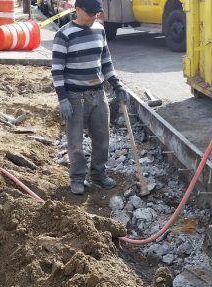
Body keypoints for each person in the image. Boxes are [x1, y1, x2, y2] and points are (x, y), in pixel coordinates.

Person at [51, 0, 126, 195]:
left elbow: (106, 61)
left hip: (98, 94)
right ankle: (77, 177)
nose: (94, 17)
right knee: (75, 140)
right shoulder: (64, 35)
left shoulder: (99, 30)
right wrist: (63, 98)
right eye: (90, 13)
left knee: (102, 138)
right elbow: (57, 70)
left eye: (96, 13)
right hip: (75, 97)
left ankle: (98, 174)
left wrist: (117, 84)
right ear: (78, 10)